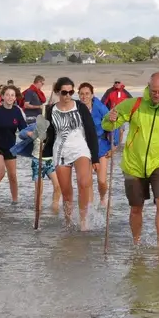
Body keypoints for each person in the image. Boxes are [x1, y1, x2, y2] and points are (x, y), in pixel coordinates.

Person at [102, 71, 159, 249]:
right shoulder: (134, 104)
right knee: (136, 208)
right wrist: (111, 119)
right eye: (154, 91)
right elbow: (108, 124)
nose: (156, 95)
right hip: (134, 163)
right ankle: (137, 243)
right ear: (149, 87)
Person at [42, 76, 100, 230]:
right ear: (57, 92)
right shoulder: (50, 110)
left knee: (83, 183)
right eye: (64, 92)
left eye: (70, 92)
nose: (67, 95)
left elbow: (91, 132)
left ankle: (83, 221)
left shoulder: (80, 107)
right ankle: (68, 222)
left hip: (80, 148)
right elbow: (50, 135)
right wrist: (45, 154)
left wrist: (95, 157)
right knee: (66, 192)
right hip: (60, 151)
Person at [0, 84, 29, 205]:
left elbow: (23, 130)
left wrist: (33, 135)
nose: (10, 97)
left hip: (11, 147)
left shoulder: (17, 111)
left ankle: (15, 201)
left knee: (13, 175)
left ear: (15, 98)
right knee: (1, 173)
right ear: (2, 97)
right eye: (7, 95)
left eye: (12, 95)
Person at [78, 82, 113, 202]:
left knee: (102, 181)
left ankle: (103, 197)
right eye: (82, 94)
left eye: (87, 94)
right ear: (78, 95)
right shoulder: (76, 108)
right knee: (87, 182)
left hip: (101, 146)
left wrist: (114, 145)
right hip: (83, 148)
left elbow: (114, 125)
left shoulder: (100, 108)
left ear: (92, 95)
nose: (84, 96)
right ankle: (90, 206)